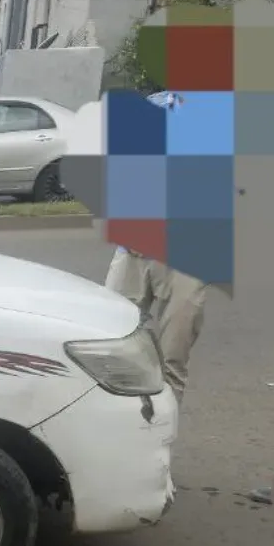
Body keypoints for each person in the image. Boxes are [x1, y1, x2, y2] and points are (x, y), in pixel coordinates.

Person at [103, 91, 209, 403]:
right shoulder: (151, 106)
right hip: (133, 250)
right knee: (107, 342)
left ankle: (161, 430)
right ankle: (112, 424)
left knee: (170, 361)